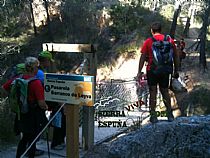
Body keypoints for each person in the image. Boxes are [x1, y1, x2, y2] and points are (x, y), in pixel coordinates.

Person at [1, 57, 48, 158]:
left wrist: (11, 97)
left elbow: (3, 89)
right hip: (33, 115)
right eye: (37, 67)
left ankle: (19, 156)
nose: (37, 69)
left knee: (25, 138)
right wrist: (46, 107)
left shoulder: (18, 78)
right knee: (32, 139)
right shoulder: (36, 83)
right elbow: (41, 103)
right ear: (34, 68)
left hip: (21, 113)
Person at [137, 22, 180, 123]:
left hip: (152, 70)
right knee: (165, 91)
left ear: (152, 31)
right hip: (166, 70)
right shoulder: (169, 40)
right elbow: (176, 56)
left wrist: (139, 71)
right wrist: (176, 70)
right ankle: (169, 115)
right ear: (161, 30)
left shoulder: (148, 41)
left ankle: (153, 116)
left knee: (153, 92)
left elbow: (143, 57)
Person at [37, 50, 66, 150]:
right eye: (49, 61)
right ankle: (56, 143)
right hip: (42, 101)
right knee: (60, 117)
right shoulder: (40, 73)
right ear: (45, 61)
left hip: (39, 101)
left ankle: (57, 141)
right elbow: (48, 88)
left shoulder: (37, 71)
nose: (49, 64)